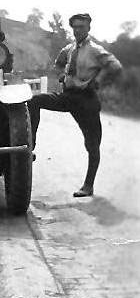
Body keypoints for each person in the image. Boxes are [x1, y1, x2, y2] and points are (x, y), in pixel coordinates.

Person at [27, 13, 122, 197]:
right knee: (34, 100)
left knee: (92, 144)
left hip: (86, 100)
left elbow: (115, 66)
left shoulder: (95, 50)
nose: (78, 30)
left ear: (88, 28)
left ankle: (88, 185)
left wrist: (98, 81)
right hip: (68, 97)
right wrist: (61, 75)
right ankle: (29, 146)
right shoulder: (69, 49)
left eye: (82, 27)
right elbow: (57, 66)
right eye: (75, 27)